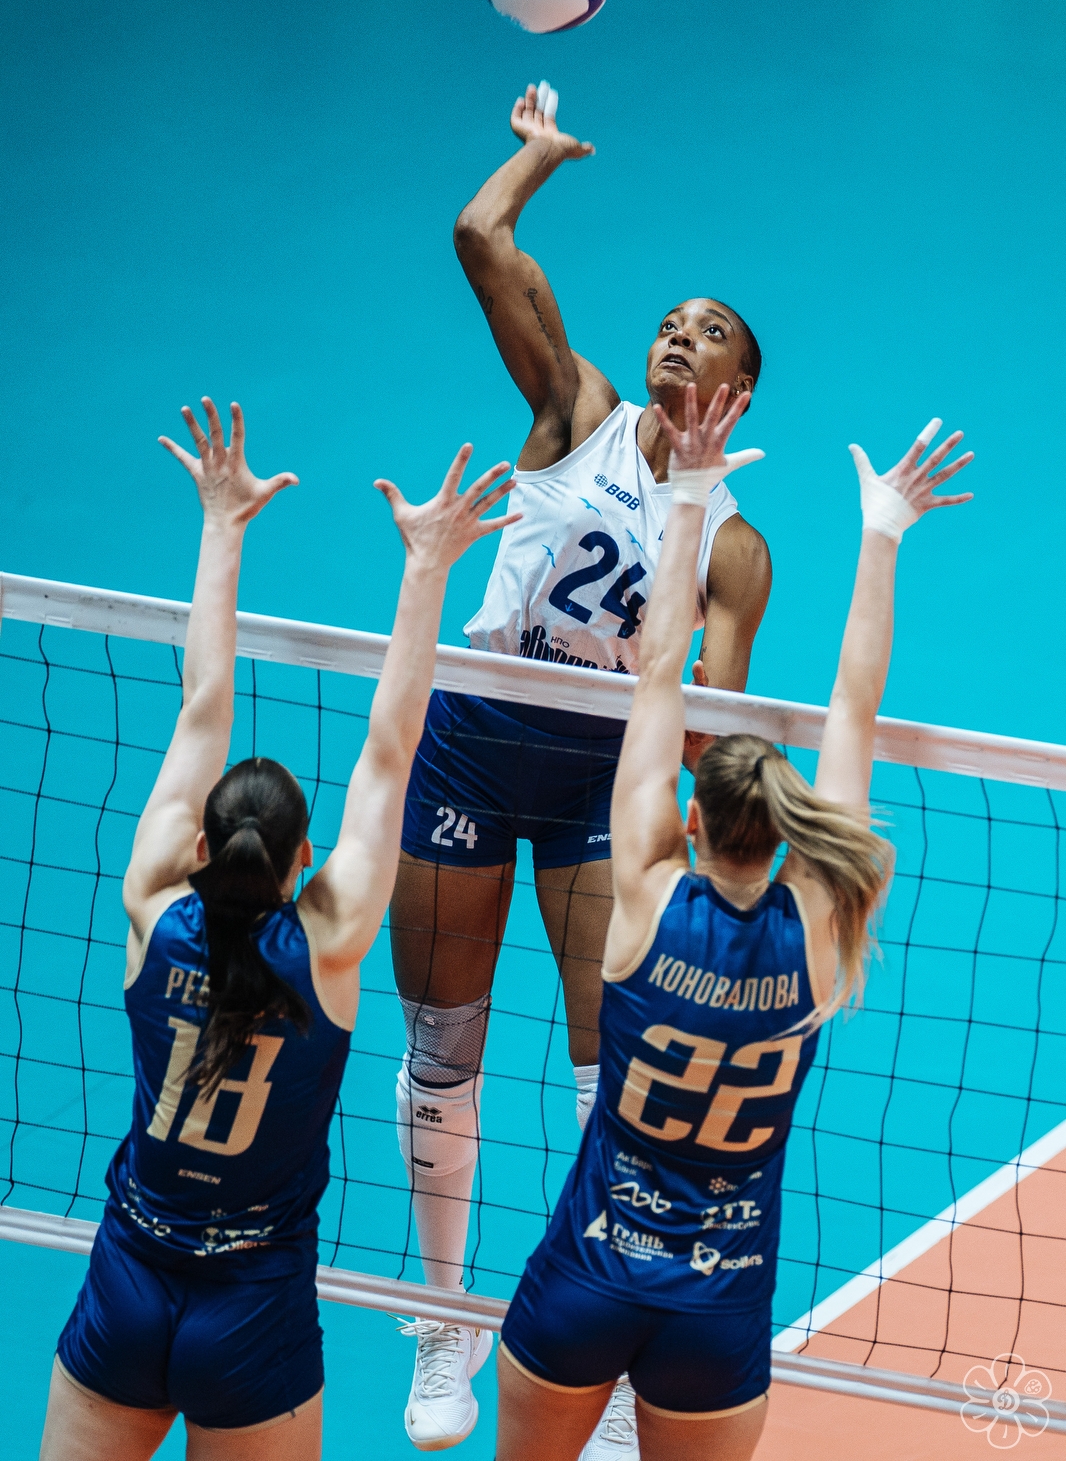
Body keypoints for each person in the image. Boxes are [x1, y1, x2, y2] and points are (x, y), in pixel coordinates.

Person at [390, 83, 772, 1451]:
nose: (676, 331)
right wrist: (536, 157)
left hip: (601, 786)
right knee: (443, 1039)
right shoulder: (577, 408)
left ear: (733, 390)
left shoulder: (734, 548)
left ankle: (597, 1342)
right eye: (670, 317)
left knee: (611, 1070)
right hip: (474, 740)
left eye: (706, 329)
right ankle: (442, 1318)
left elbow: (712, 730)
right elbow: (477, 239)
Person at [493, 383, 974, 1461]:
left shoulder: (645, 891)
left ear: (689, 817)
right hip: (717, 1306)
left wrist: (691, 494)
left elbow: (659, 667)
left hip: (586, 1277)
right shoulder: (822, 925)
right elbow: (855, 711)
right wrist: (884, 533)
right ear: (792, 830)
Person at [38, 399, 517, 1461]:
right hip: (253, 1307)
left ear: (199, 848)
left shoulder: (153, 907)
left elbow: (202, 705)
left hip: (130, 1278)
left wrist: (221, 521)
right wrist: (428, 564)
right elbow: (392, 748)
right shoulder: (329, 944)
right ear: (305, 861)